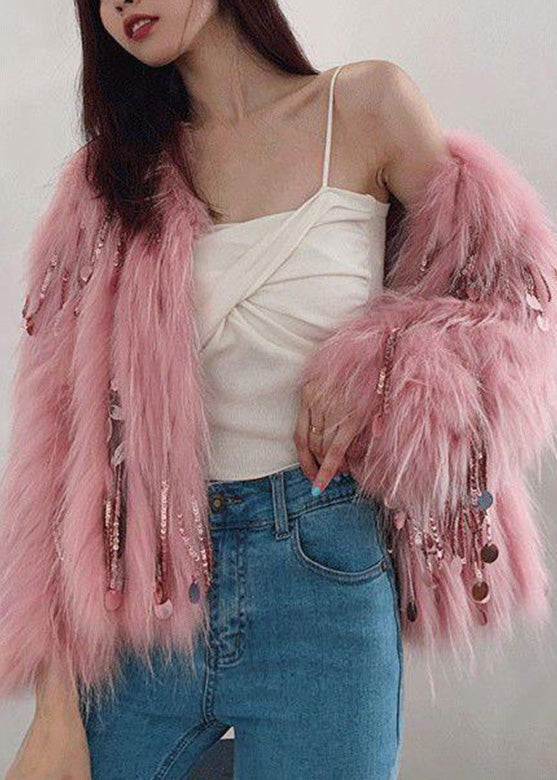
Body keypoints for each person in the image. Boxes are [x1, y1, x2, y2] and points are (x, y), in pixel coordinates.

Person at [3, 2, 556, 779]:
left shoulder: (363, 107)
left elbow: (516, 303)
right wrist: (56, 713)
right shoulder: (109, 182)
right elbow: (53, 455)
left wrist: (387, 372)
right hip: (139, 606)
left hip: (320, 581)